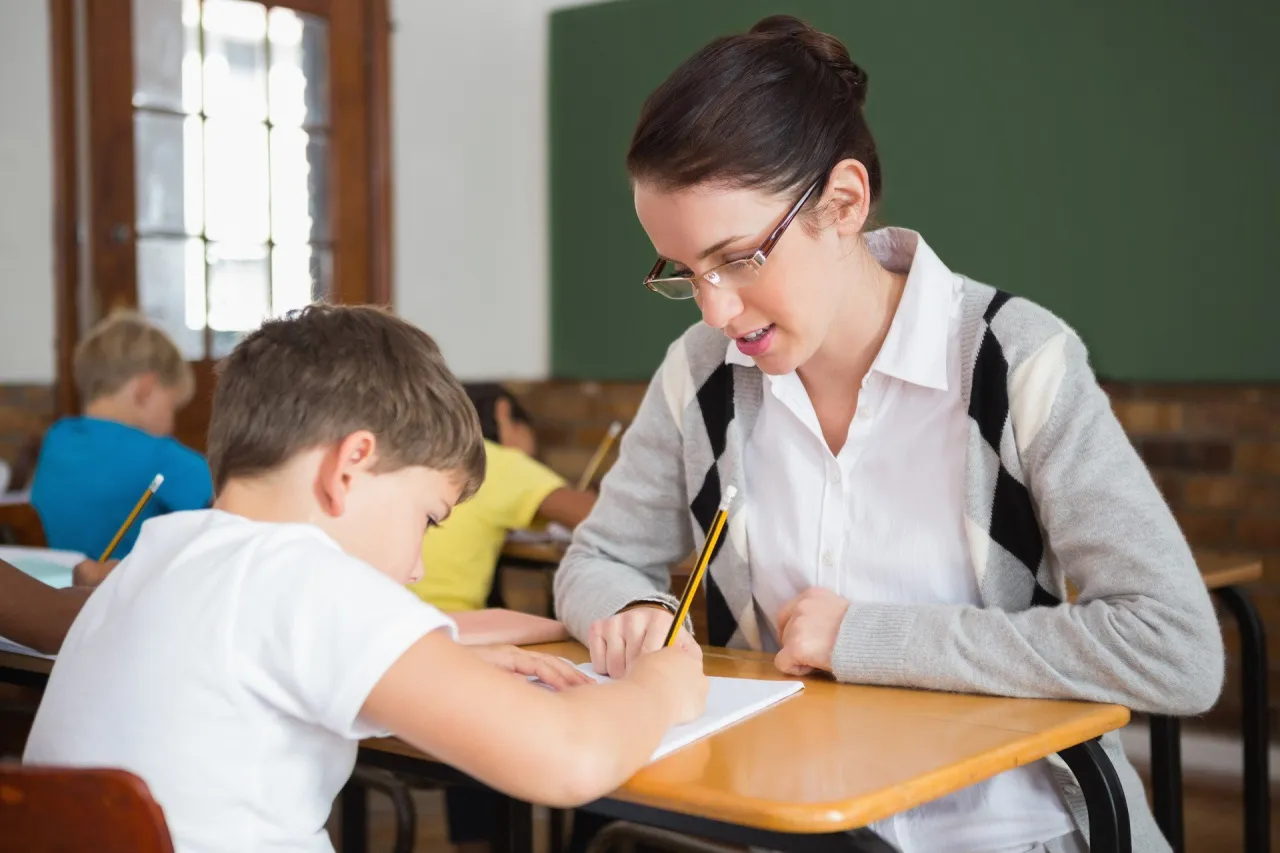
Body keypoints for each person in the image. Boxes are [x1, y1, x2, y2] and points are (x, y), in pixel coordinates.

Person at [553, 15, 1223, 853]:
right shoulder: (700, 375)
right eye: (685, 273)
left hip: (1019, 834)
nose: (717, 309)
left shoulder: (1014, 361)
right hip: (795, 830)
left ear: (842, 203)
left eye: (737, 258)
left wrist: (868, 637)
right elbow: (597, 559)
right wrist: (630, 607)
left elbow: (1175, 648)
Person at [24, 305, 707, 853]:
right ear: (349, 467)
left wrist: (435, 650)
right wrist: (658, 686)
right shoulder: (302, 576)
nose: (416, 566)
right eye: (428, 517)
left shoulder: (157, 558)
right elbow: (571, 758)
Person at [31, 311, 213, 558]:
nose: (172, 425)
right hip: (119, 593)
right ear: (145, 390)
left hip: (50, 590)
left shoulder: (56, 438)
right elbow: (235, 502)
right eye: (173, 408)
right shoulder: (158, 457)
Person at [410, 383, 595, 613]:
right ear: (504, 413)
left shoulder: (412, 453)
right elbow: (607, 517)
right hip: (447, 620)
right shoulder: (493, 460)